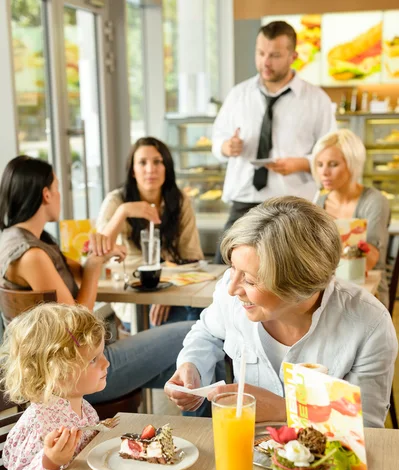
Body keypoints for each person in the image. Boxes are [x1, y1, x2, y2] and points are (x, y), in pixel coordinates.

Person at [165, 197, 397, 428]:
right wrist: (192, 365)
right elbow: (208, 332)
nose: (233, 288)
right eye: (233, 268)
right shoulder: (232, 295)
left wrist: (283, 410)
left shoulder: (369, 325)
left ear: (299, 285)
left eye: (250, 280)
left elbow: (366, 427)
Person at [0, 155, 193, 406]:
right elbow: (78, 322)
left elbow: (81, 267)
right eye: (58, 189)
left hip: (72, 368)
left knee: (192, 369)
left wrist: (98, 256)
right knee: (193, 332)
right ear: (46, 194)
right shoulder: (31, 255)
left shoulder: (24, 241)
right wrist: (94, 265)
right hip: (77, 372)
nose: (61, 195)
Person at [212, 20, 336, 262]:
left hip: (292, 206)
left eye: (275, 55)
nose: (265, 62)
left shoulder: (316, 99)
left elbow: (329, 152)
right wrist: (226, 147)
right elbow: (218, 139)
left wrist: (300, 163)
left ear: (293, 56)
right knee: (225, 273)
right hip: (244, 201)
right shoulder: (239, 95)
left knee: (288, 277)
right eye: (261, 53)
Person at [0, 303, 108, 470]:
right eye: (93, 360)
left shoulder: (82, 408)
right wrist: (48, 461)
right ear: (59, 374)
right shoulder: (41, 427)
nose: (106, 363)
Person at [96, 137, 204, 328]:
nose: (150, 169)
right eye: (142, 162)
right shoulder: (116, 201)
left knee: (205, 317)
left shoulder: (179, 201)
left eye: (157, 162)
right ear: (133, 171)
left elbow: (191, 255)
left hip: (174, 290)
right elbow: (99, 255)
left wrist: (166, 293)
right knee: (190, 328)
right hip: (133, 295)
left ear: (166, 168)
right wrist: (124, 212)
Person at [311, 128, 391, 307]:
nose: (324, 172)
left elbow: (367, 263)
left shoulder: (374, 201)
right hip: (328, 291)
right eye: (320, 164)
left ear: (352, 164)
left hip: (368, 295)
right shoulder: (319, 203)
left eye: (333, 164)